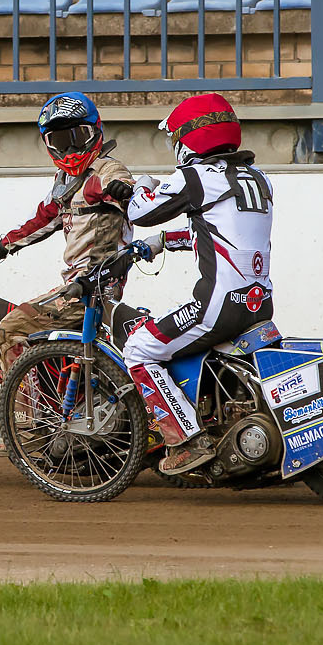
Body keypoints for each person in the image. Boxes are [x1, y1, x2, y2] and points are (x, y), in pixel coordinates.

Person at [120, 93, 274, 477]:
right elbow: (217, 232)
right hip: (259, 301)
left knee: (139, 347)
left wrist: (141, 185)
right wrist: (161, 243)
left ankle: (186, 441)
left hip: (218, 306)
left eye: (174, 139)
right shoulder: (257, 178)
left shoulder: (198, 176)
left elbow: (140, 212)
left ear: (189, 139)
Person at [0, 93, 135, 377]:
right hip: (77, 285)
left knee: (8, 330)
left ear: (95, 131)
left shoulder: (106, 169)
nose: (70, 149)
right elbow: (43, 219)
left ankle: (24, 406)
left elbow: (124, 184)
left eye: (78, 137)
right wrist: (0, 246)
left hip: (94, 286)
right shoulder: (66, 180)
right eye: (61, 141)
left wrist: (119, 189)